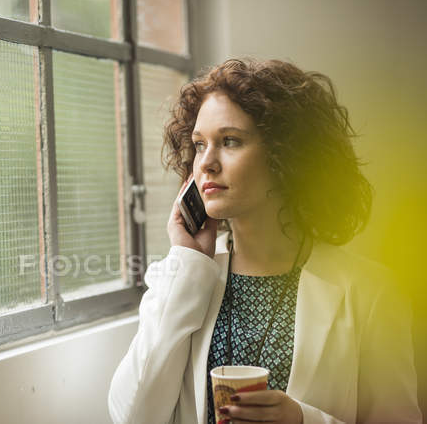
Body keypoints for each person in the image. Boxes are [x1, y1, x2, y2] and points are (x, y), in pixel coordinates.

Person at [107, 58, 422, 424]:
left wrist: (304, 420)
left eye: (229, 141)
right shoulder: (181, 276)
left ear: (285, 156)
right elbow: (132, 416)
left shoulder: (371, 292)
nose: (205, 163)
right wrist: (188, 263)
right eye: (198, 144)